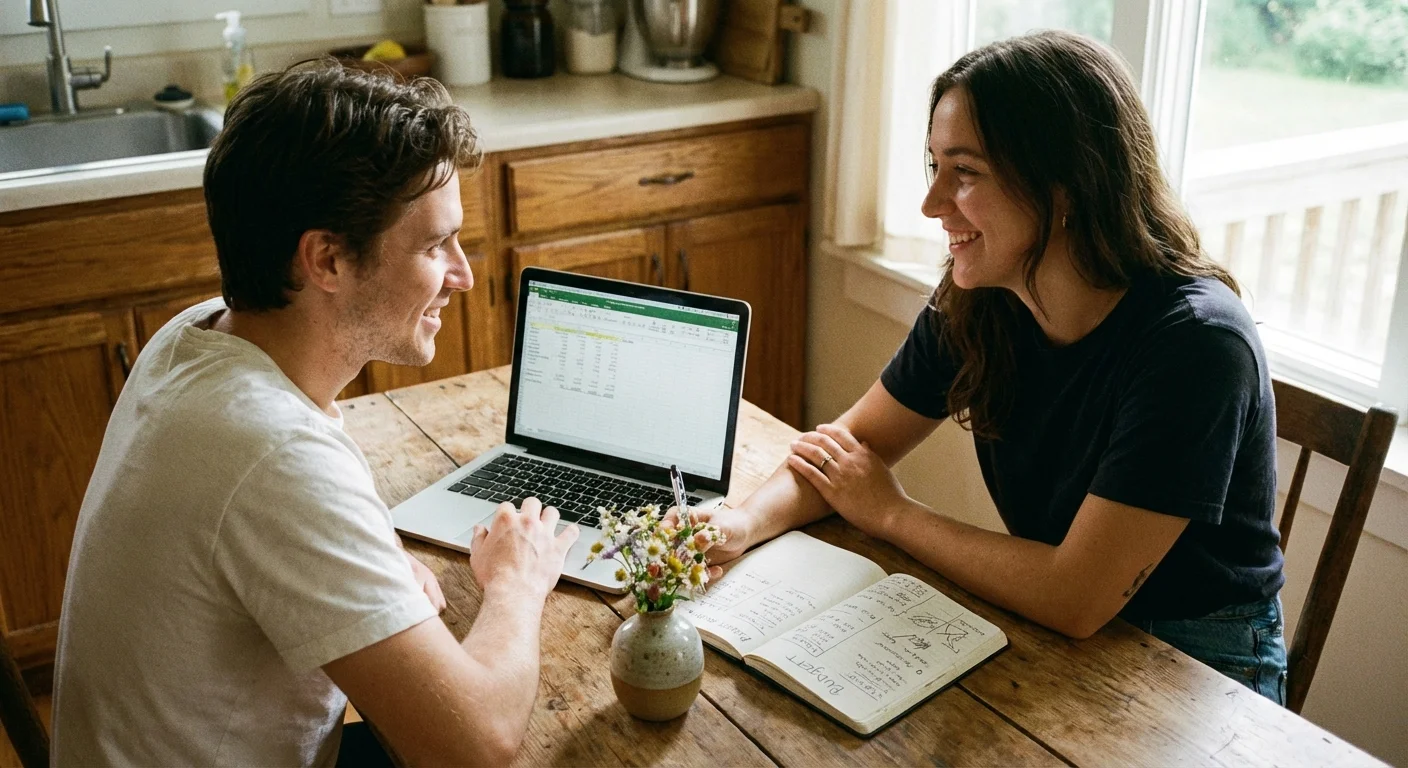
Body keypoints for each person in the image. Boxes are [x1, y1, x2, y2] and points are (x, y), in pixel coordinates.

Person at [695, 31, 1288, 704]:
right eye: (934, 167)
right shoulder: (980, 300)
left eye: (965, 173)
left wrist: (890, 514)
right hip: (1049, 627)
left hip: (1199, 663)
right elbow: (850, 451)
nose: (932, 204)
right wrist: (739, 525)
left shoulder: (1197, 344)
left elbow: (1076, 595)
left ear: (1063, 187)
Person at [50, 60, 578, 766]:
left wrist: (376, 559)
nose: (464, 274)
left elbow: (261, 517)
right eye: (434, 244)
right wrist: (518, 579)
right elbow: (475, 743)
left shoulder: (195, 335)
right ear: (327, 260)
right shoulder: (270, 452)